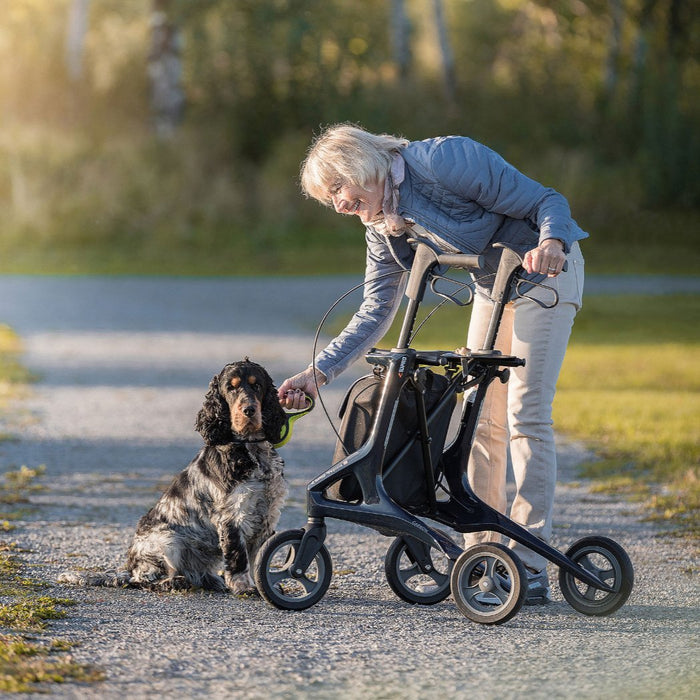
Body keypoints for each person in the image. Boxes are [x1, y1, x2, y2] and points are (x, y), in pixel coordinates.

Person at [278, 123, 586, 604]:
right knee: (481, 419)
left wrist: (553, 244)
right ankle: (483, 558)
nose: (339, 204)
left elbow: (547, 201)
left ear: (360, 165)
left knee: (525, 413)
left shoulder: (443, 161)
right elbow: (376, 308)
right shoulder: (382, 223)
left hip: (544, 275)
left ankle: (530, 563)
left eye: (338, 189)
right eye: (329, 199)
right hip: (494, 284)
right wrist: (319, 372)